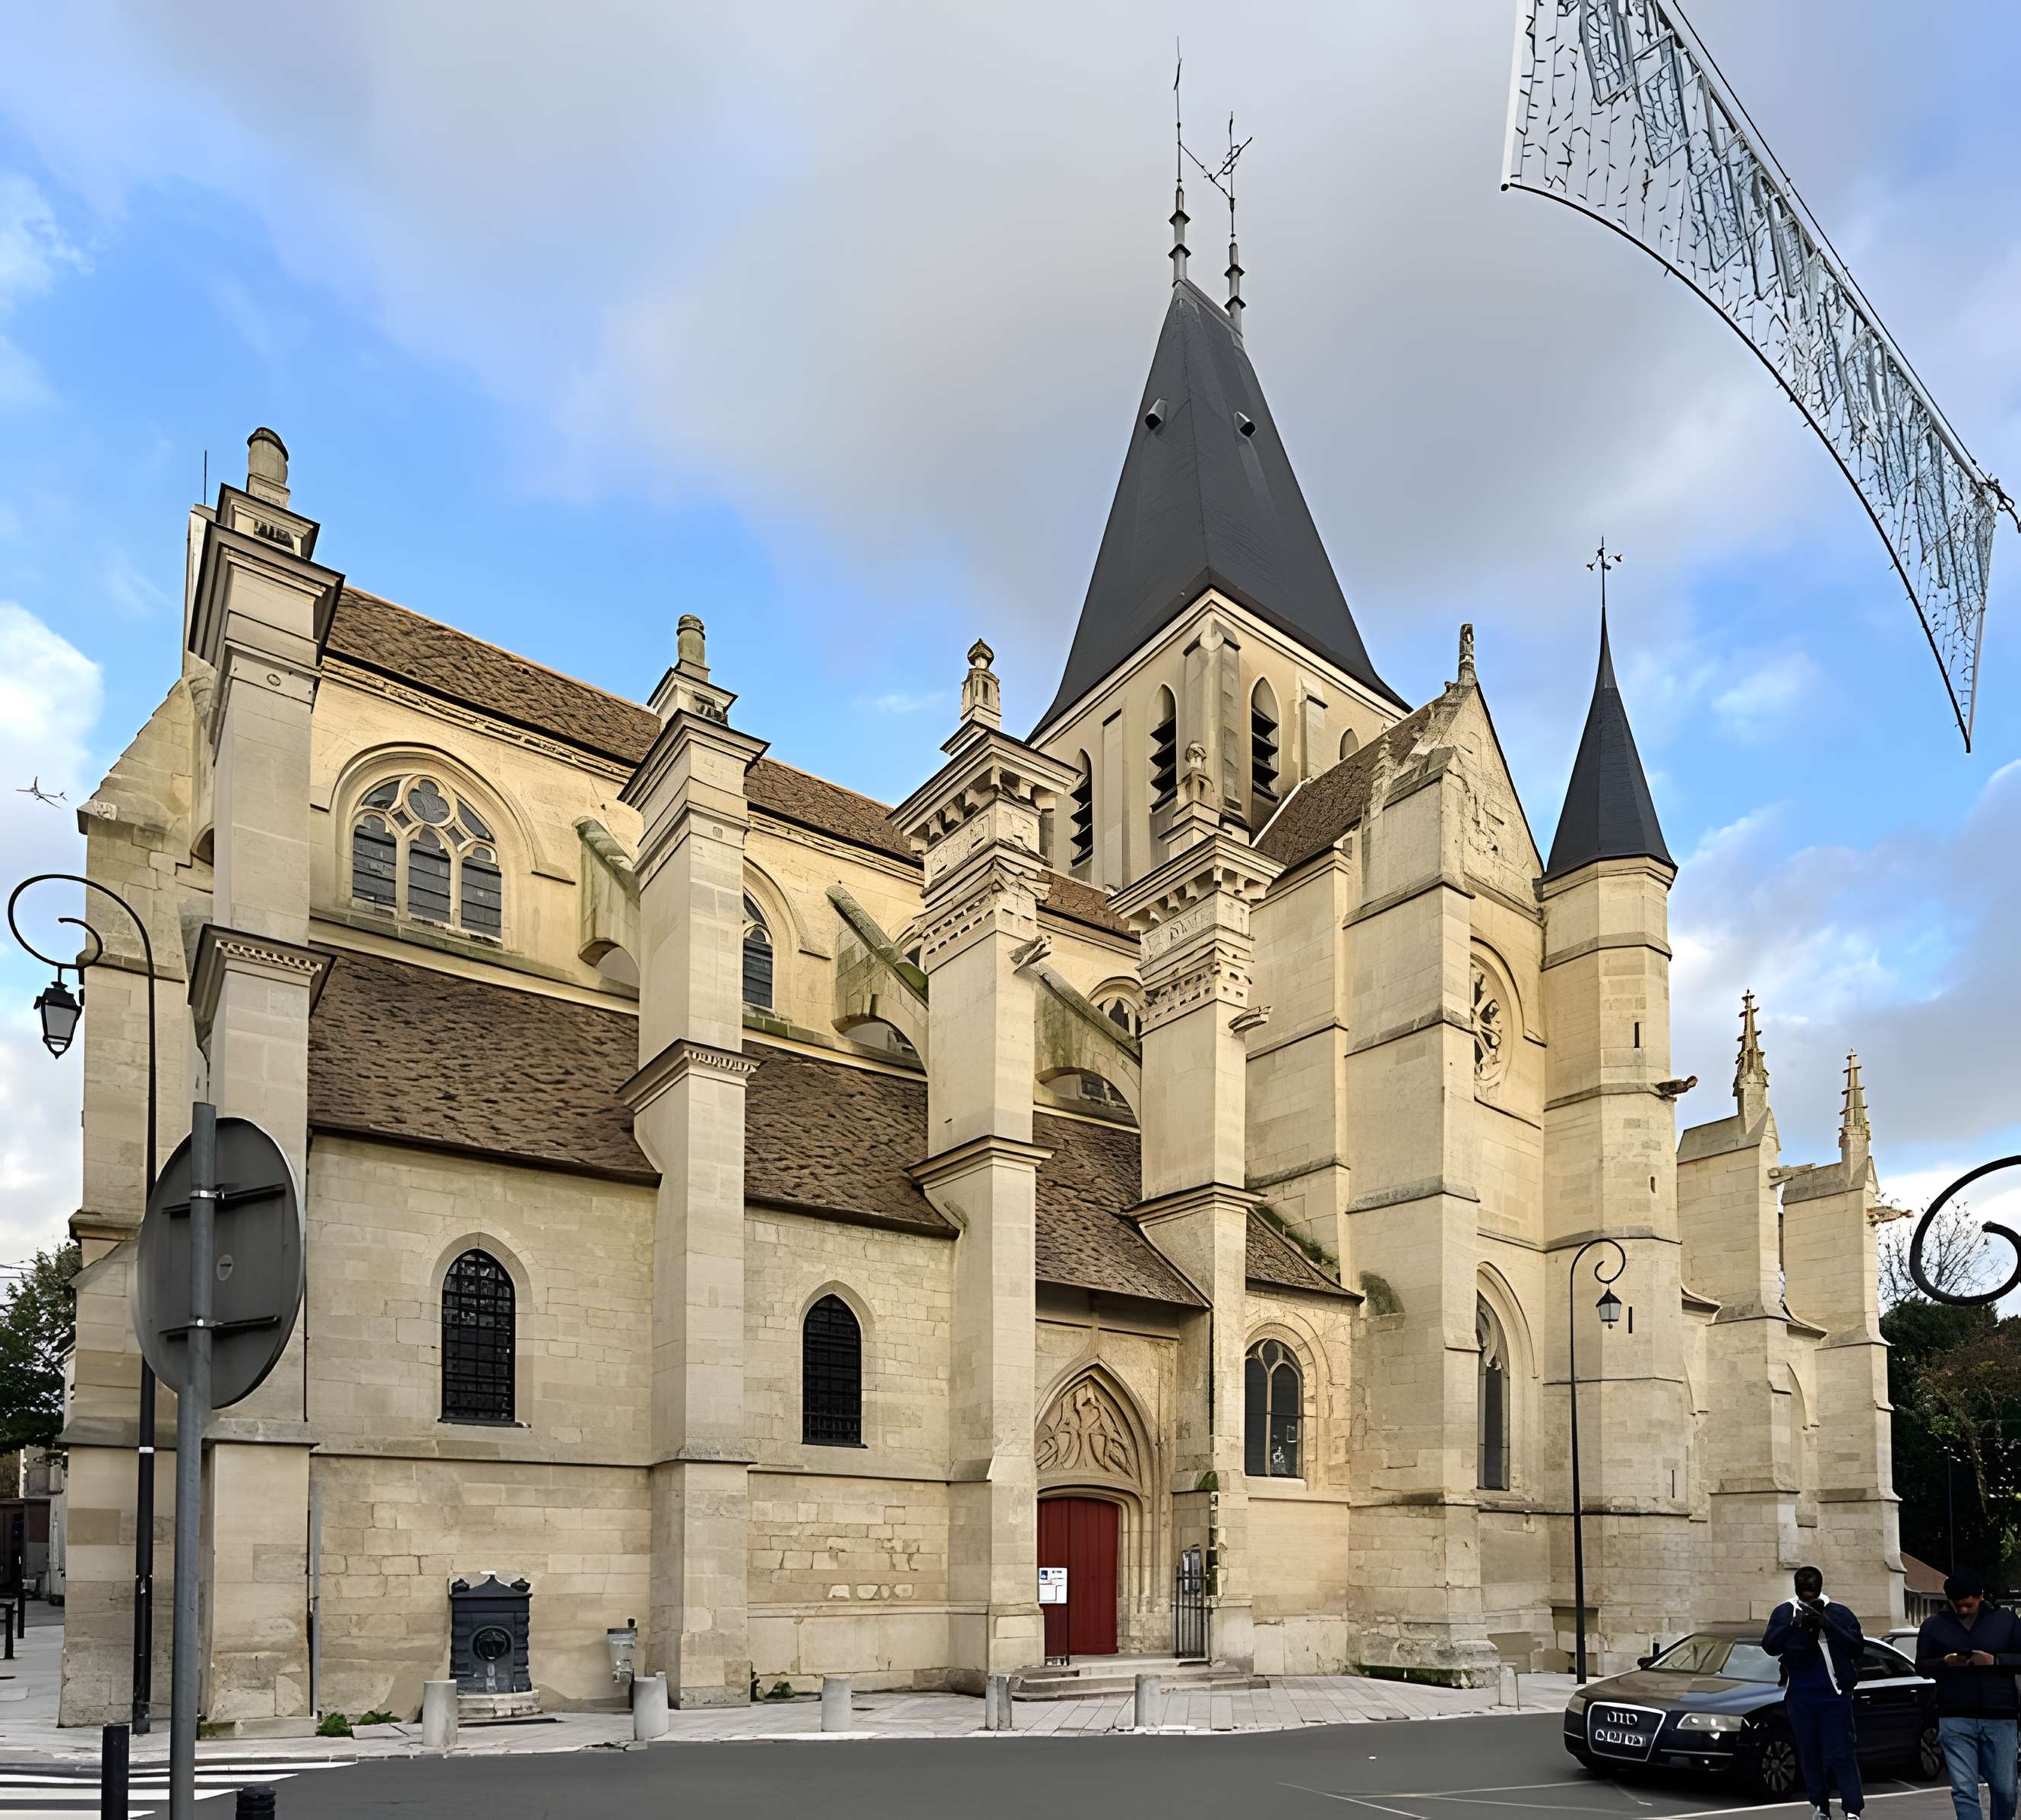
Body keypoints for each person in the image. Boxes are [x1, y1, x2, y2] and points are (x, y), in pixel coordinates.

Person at [1916, 1569, 2021, 1820]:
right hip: (1954, 1716)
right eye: (1957, 1605)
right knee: (1964, 1790)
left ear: (1981, 1597)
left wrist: (1994, 1661)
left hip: (2000, 1716)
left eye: (1968, 1605)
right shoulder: (1934, 1626)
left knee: (2006, 1789)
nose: (1963, 1610)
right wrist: (1945, 1661)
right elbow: (1921, 1666)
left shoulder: (2006, 1621)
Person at [1763, 1565, 1865, 1820]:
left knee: (1841, 1752)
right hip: (1800, 1694)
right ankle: (1819, 1806)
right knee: (1809, 1753)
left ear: (1820, 1587)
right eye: (1803, 1590)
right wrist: (1794, 1624)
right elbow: (1770, 1646)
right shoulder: (1785, 1611)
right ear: (1796, 1588)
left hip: (1834, 1693)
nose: (1808, 1596)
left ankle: (1852, 1809)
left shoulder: (1838, 1612)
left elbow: (1856, 1647)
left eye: (1812, 1590)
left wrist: (1826, 1624)